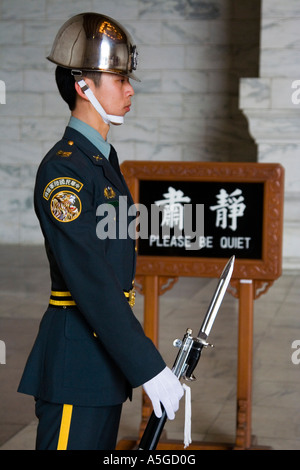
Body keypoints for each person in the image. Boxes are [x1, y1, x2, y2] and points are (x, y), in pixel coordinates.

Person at [18, 12, 183, 450]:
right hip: (77, 364)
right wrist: (147, 365)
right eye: (117, 78)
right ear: (83, 86)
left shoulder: (100, 162)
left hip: (102, 363)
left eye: (129, 78)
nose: (130, 89)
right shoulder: (64, 171)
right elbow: (91, 281)